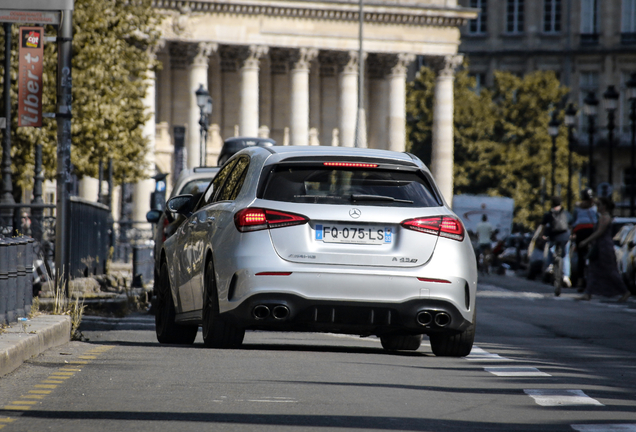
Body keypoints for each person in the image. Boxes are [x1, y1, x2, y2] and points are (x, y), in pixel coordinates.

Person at [578, 197, 630, 302]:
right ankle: (588, 293)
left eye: (599, 205)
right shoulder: (602, 217)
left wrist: (586, 241)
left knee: (610, 270)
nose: (597, 207)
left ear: (604, 207)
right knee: (593, 269)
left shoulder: (605, 217)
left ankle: (625, 291)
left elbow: (599, 232)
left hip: (605, 247)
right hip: (598, 246)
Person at [538, 196, 570, 294]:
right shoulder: (566, 214)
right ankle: (566, 276)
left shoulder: (549, 214)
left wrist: (542, 236)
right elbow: (572, 224)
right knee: (565, 255)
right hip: (565, 237)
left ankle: (550, 265)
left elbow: (543, 226)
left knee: (551, 249)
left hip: (553, 237)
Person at [570, 188, 597, 289]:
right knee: (593, 256)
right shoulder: (594, 207)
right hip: (592, 231)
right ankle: (593, 280)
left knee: (581, 257)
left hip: (580, 231)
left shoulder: (577, 207)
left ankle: (580, 281)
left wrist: (572, 233)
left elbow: (574, 221)